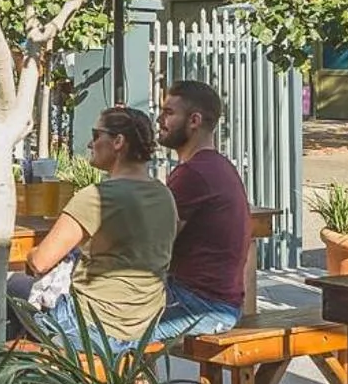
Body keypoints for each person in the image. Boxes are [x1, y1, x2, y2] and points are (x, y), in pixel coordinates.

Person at [19, 105, 178, 353]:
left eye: (96, 135)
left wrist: (30, 254)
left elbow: (40, 262)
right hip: (145, 326)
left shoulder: (97, 197)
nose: (91, 144)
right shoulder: (164, 194)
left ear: (118, 141)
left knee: (9, 290)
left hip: (89, 327)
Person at [152, 80, 250, 341]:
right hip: (214, 301)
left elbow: (153, 245)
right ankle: (139, 383)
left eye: (169, 113)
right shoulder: (217, 165)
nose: (160, 120)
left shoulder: (194, 173)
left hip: (200, 306)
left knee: (95, 329)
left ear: (194, 120)